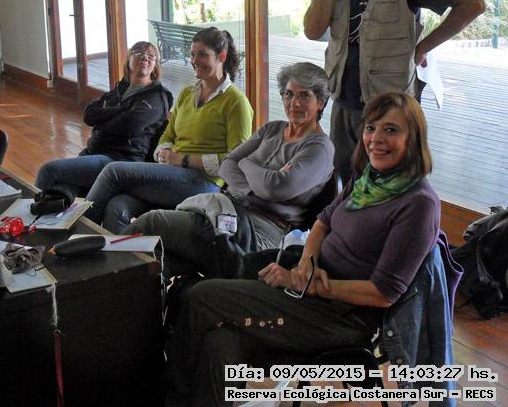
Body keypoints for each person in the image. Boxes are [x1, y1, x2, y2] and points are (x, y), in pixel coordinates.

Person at [166, 92, 455, 405]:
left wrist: (307, 285)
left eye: (391, 130)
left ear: (414, 138)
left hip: (342, 318)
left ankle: (172, 398)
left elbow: (383, 293)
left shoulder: (418, 204)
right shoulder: (370, 179)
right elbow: (321, 223)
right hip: (309, 294)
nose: (376, 139)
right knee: (221, 342)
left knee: (200, 297)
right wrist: (306, 266)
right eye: (371, 128)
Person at [303, 0, 485, 184]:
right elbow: (312, 30)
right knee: (348, 185)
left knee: (390, 188)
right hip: (343, 104)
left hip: (391, 111)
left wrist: (423, 47)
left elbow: (473, 3)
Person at [128, 62, 334, 279]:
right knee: (162, 259)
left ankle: (106, 270)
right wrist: (257, 186)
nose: (295, 103)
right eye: (289, 94)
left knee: (152, 222)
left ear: (320, 102)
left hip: (260, 232)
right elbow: (227, 164)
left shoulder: (319, 148)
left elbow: (275, 188)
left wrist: (246, 164)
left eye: (305, 96)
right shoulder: (272, 129)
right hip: (225, 211)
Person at [85, 27, 253, 233]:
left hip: (203, 182)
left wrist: (183, 159)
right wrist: (163, 153)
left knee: (113, 171)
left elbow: (235, 162)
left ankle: (77, 236)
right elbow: (168, 135)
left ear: (222, 56)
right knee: (117, 206)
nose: (194, 61)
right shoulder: (187, 93)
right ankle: (119, 254)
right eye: (192, 54)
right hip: (172, 173)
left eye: (202, 55)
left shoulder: (236, 102)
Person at [35, 41, 173, 198]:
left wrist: (102, 120)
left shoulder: (156, 97)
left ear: (155, 66)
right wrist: (122, 110)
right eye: (139, 53)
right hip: (94, 152)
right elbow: (89, 115)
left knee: (48, 171)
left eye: (151, 56)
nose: (145, 58)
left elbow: (128, 126)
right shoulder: (121, 88)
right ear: (128, 59)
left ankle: (23, 212)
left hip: (120, 160)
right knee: (61, 191)